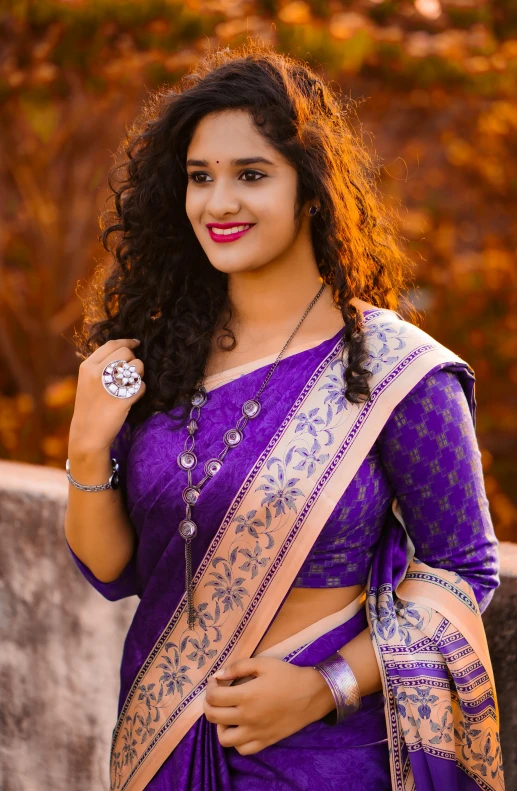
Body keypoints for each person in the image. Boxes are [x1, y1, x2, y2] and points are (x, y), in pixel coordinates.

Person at [64, 41, 504, 791]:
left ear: (310, 190)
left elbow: (461, 567)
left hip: (324, 754)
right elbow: (112, 567)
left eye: (251, 175)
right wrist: (86, 442)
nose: (218, 202)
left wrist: (324, 684)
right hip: (160, 743)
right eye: (199, 178)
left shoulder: (394, 370)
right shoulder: (160, 356)